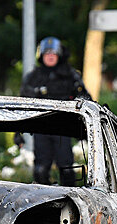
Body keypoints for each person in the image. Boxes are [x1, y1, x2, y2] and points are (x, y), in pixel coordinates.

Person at [20, 36, 91, 186]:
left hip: (63, 129)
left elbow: (86, 98)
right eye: (47, 53)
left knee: (66, 170)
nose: (50, 56)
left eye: (53, 53)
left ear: (59, 55)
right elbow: (22, 105)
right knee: (40, 170)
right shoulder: (33, 77)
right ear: (41, 56)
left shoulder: (71, 75)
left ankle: (70, 204)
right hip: (41, 128)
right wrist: (18, 134)